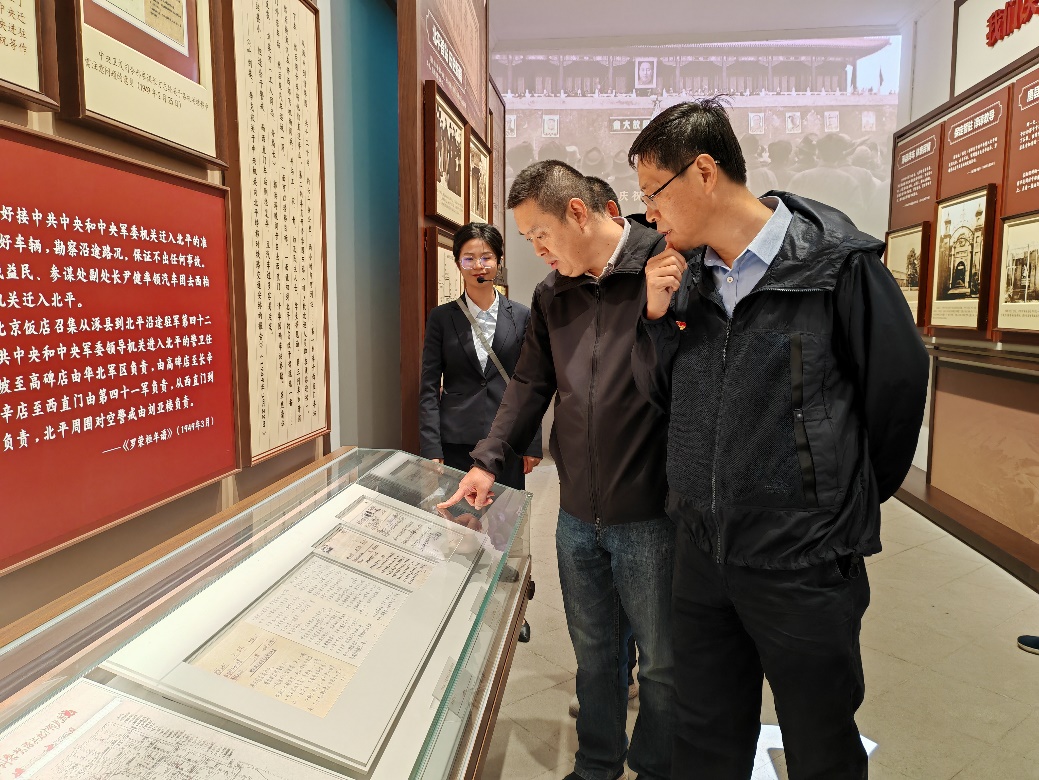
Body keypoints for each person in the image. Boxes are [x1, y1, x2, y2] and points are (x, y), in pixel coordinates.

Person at [628, 98, 929, 779]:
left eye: (653, 192)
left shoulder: (836, 265)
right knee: (703, 738)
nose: (649, 213)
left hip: (802, 558)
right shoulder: (684, 279)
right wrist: (654, 320)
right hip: (702, 550)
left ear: (703, 172)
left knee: (820, 742)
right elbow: (663, 400)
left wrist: (837, 500)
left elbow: (896, 389)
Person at [439, 161, 675, 780]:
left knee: (662, 661)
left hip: (652, 511)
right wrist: (487, 461)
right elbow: (529, 384)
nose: (537, 251)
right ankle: (597, 764)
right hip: (577, 512)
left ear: (577, 212)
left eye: (540, 235)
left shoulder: (664, 266)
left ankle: (655, 766)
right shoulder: (553, 294)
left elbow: (687, 384)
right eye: (527, 240)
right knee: (594, 652)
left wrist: (659, 318)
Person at [419, 222, 542, 490]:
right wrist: (431, 446)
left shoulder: (521, 315)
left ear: (499, 261)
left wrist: (532, 442)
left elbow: (531, 383)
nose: (478, 266)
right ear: (458, 264)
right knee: (458, 513)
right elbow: (428, 387)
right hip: (456, 441)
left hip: (507, 439)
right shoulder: (441, 318)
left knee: (506, 514)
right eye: (469, 258)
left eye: (486, 257)